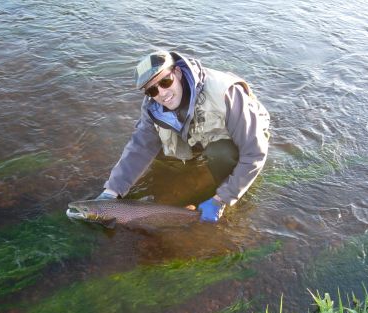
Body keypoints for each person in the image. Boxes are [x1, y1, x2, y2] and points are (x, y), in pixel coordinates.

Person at [97, 50, 270, 223]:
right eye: (152, 90)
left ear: (177, 72)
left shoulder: (225, 93)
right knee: (158, 153)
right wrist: (112, 191)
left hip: (241, 132)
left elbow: (254, 152)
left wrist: (222, 199)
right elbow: (140, 146)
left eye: (165, 81)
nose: (162, 93)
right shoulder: (153, 106)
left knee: (222, 154)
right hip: (195, 131)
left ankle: (231, 192)